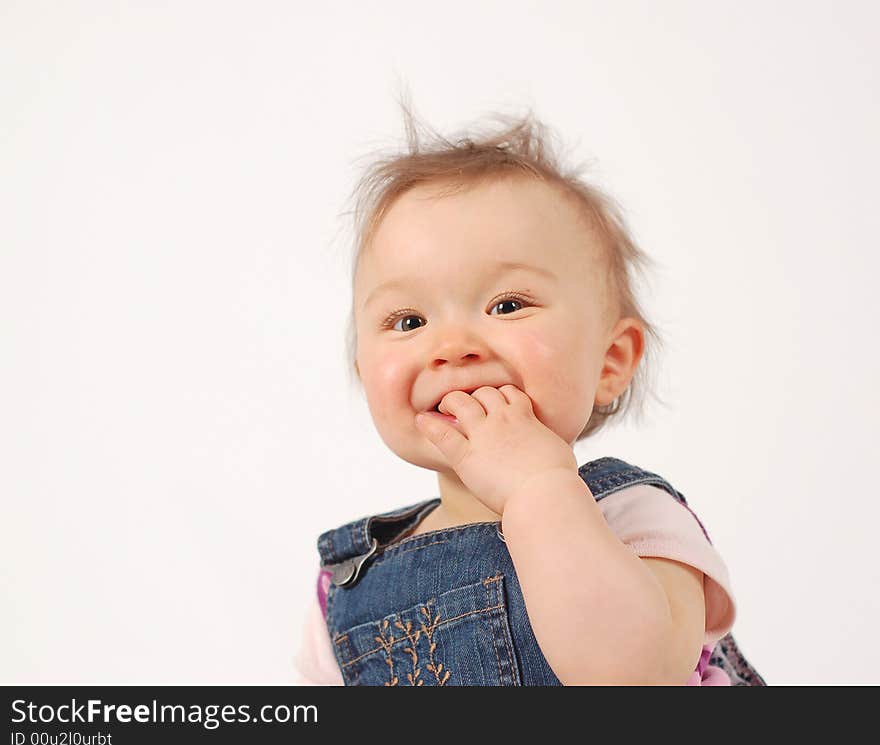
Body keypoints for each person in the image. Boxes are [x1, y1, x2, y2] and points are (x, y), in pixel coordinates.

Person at [293, 101, 764, 686]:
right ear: (365, 372)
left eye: (507, 305)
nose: (452, 345)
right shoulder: (349, 583)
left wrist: (538, 488)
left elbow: (632, 676)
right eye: (409, 320)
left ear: (610, 361)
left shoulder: (634, 518)